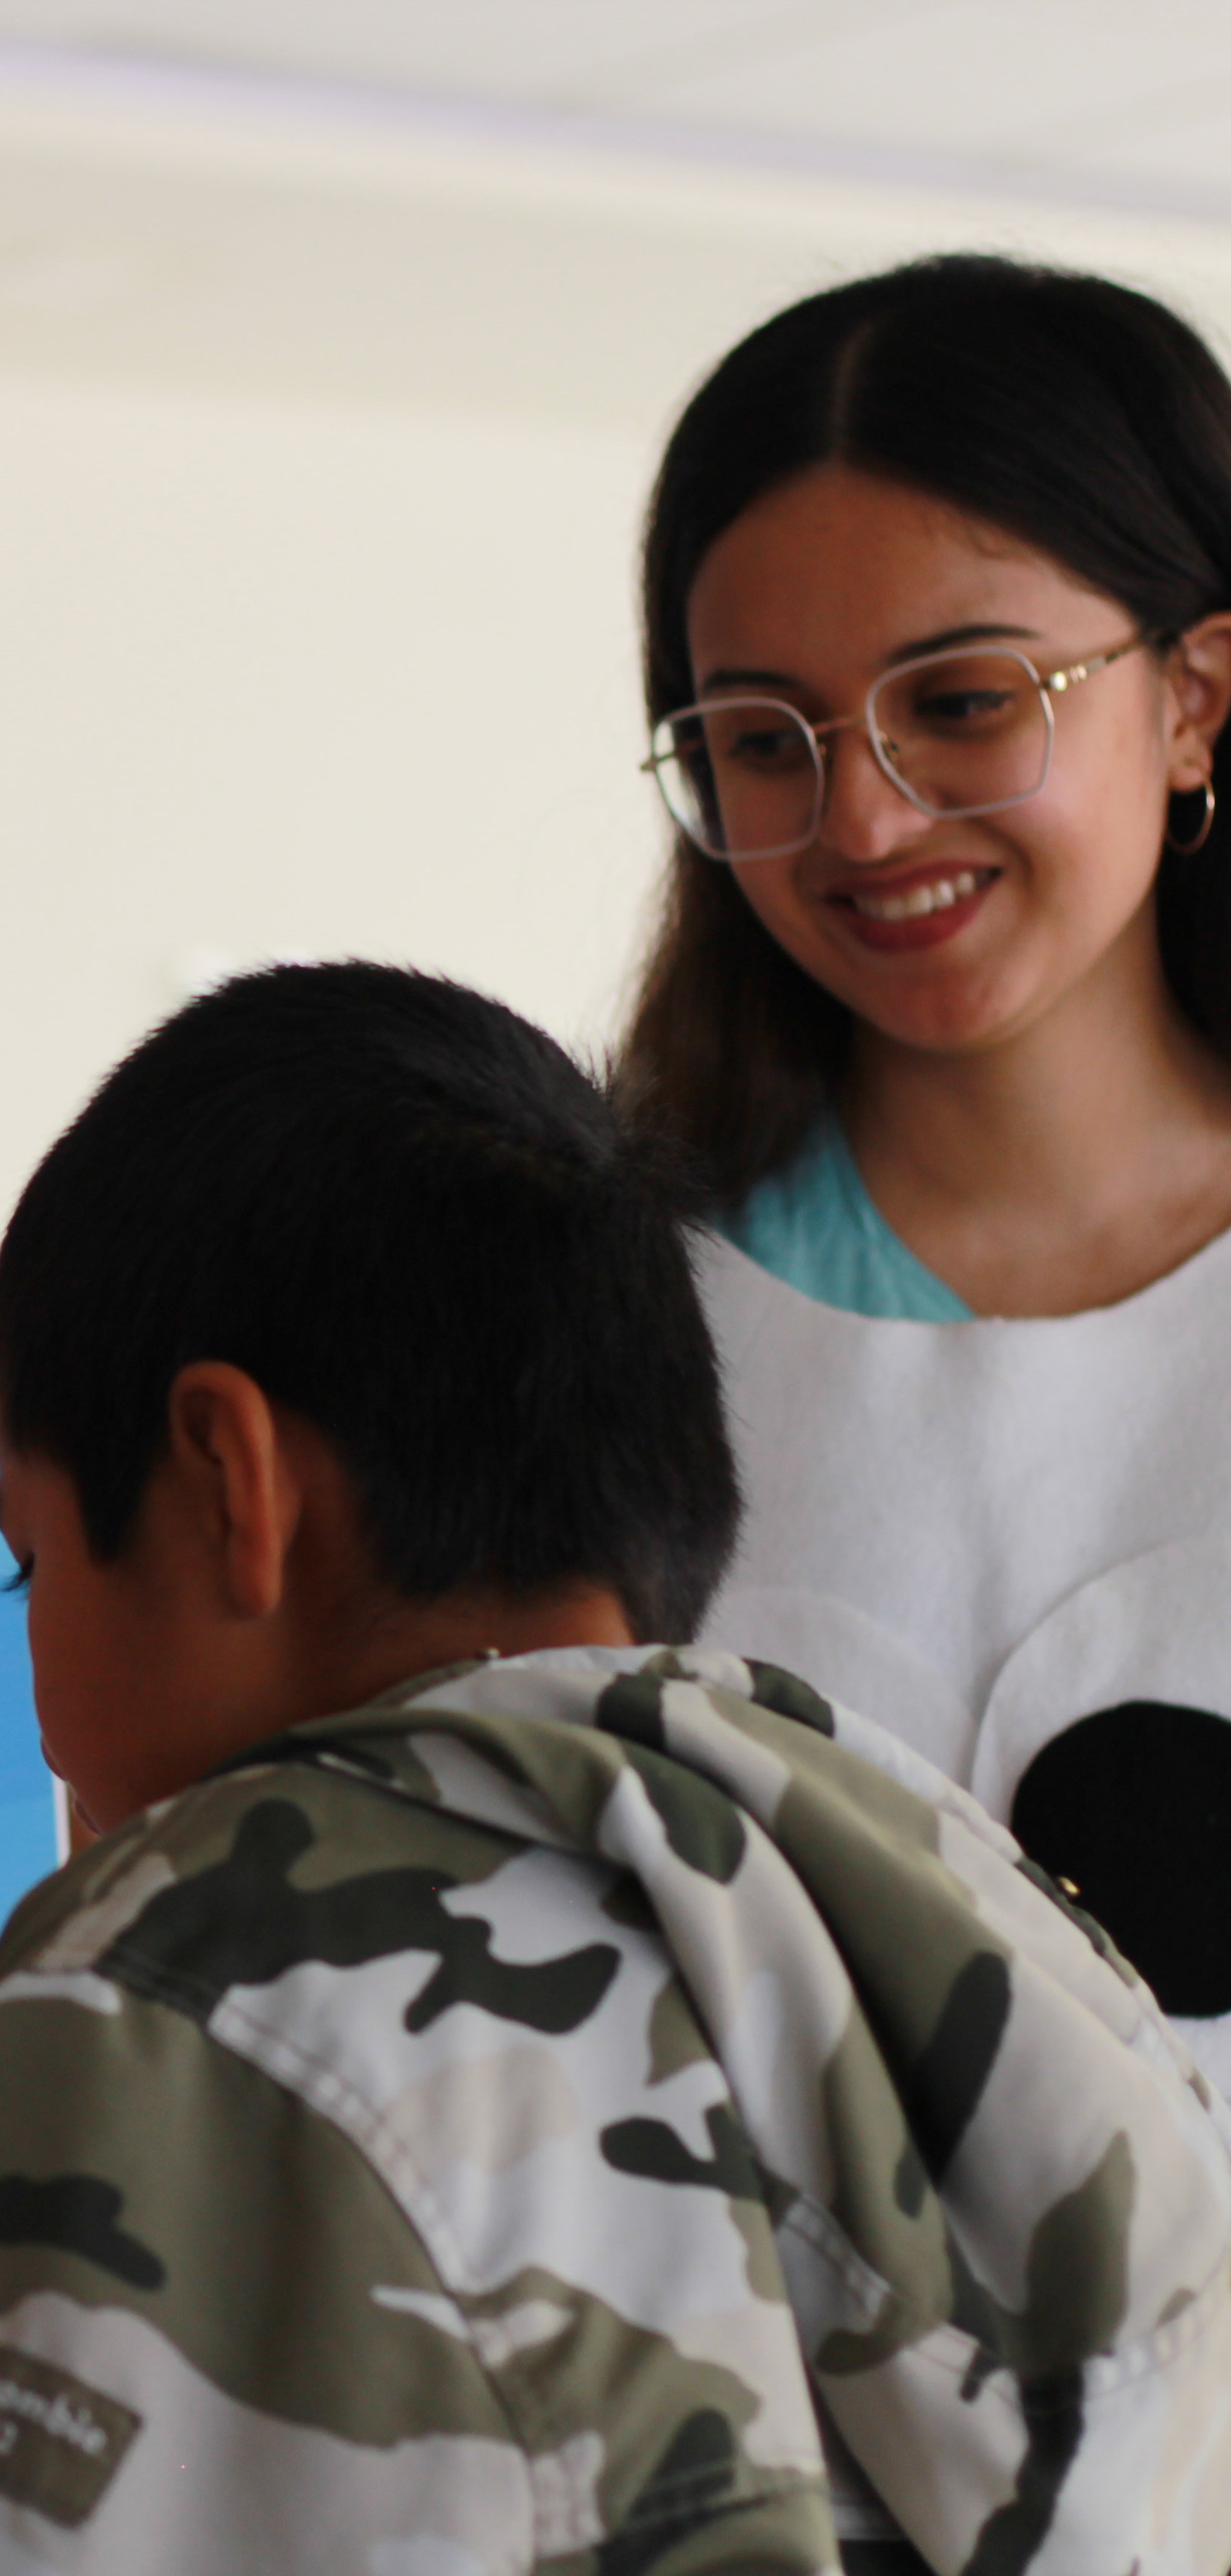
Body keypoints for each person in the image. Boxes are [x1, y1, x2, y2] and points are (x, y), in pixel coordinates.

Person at [0, 965, 1231, 2576]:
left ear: (231, 1481)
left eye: (31, 1563)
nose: (35, 1680)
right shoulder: (932, 1910)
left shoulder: (212, 1947)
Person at [618, 256, 1231, 2080]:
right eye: (764, 741)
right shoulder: (599, 1310)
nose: (866, 819)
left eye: (959, 701)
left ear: (1195, 696)